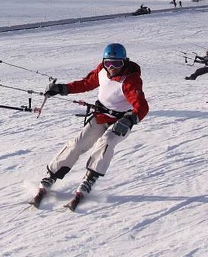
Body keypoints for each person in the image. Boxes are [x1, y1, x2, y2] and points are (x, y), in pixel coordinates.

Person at [37, 43, 150, 201]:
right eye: (108, 63)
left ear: (124, 62)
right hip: (101, 116)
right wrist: (62, 88)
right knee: (78, 144)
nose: (112, 67)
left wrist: (130, 119)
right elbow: (86, 83)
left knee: (106, 142)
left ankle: (89, 179)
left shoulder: (130, 80)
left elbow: (142, 106)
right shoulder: (102, 71)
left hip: (120, 122)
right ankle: (52, 175)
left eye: (117, 63)